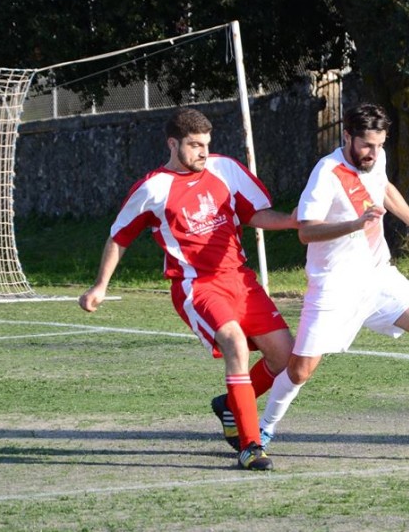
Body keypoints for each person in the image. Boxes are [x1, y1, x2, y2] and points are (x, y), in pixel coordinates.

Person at [78, 107, 295, 471]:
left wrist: (292, 221)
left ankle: (230, 405)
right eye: (195, 145)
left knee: (285, 356)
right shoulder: (153, 188)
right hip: (197, 286)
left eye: (207, 144)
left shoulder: (225, 169)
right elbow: (119, 236)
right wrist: (100, 285)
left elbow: (254, 214)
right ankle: (250, 445)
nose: (203, 153)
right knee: (234, 343)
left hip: (240, 279)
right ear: (173, 143)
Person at [258, 102, 409, 451]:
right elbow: (306, 232)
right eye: (366, 146)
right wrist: (354, 225)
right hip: (333, 285)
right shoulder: (326, 173)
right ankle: (263, 427)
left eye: (380, 145)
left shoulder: (377, 158)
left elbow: (385, 189)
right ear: (347, 136)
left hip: (378, 276)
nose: (373, 153)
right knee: (300, 370)